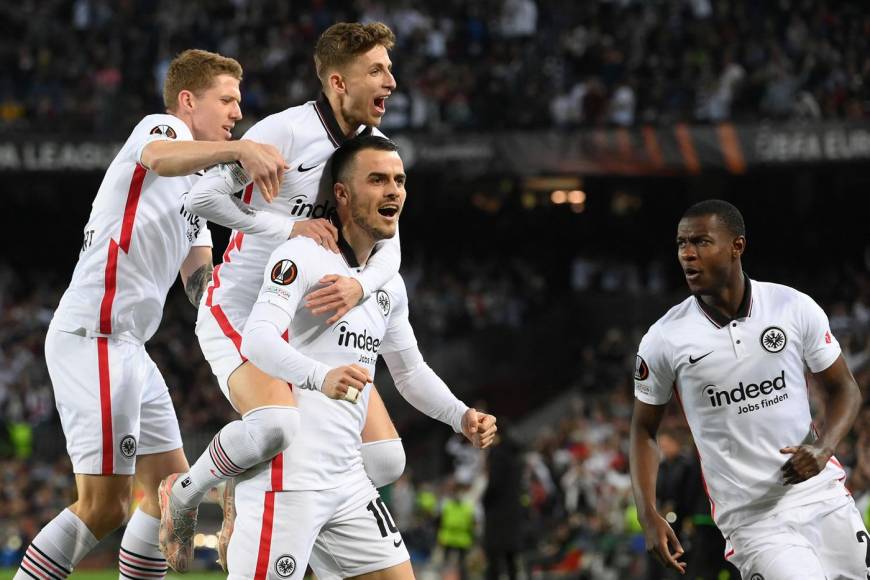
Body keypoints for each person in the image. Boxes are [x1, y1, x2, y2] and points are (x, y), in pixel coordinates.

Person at [13, 49, 287, 580]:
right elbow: (161, 158)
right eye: (227, 100)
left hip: (128, 346)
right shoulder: (163, 129)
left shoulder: (198, 191)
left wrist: (264, 305)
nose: (237, 112)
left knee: (171, 495)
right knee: (105, 506)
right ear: (189, 101)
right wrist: (239, 150)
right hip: (93, 334)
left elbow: (200, 283)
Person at [158, 22, 414, 571]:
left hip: (307, 324)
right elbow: (202, 197)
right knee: (277, 427)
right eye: (377, 70)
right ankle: (186, 491)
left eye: (390, 68)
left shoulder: (368, 150)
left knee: (386, 459)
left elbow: (391, 250)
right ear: (339, 82)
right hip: (240, 309)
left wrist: (360, 283)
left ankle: (294, 519)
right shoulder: (286, 132)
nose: (391, 80)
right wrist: (287, 230)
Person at [228, 135, 496, 579]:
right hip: (288, 481)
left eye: (399, 180)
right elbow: (256, 340)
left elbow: (410, 371)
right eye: (377, 179)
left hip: (349, 481)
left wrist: (460, 415)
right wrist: (320, 376)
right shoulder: (302, 255)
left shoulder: (387, 285)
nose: (393, 190)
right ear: (342, 194)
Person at [630, 199, 869, 579]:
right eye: (681, 244)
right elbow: (644, 429)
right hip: (754, 521)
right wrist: (647, 513)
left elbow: (845, 389)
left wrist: (824, 448)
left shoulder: (792, 306)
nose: (687, 254)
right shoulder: (664, 339)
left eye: (701, 242)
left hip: (823, 497)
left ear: (736, 246)